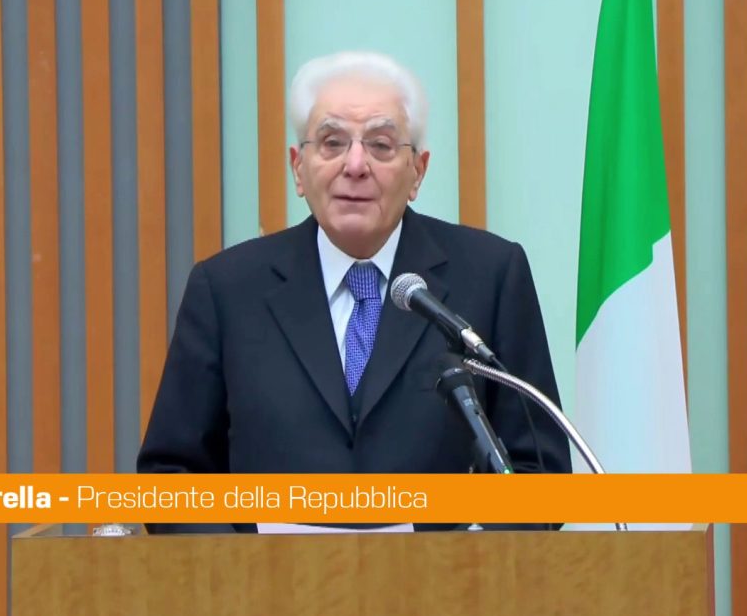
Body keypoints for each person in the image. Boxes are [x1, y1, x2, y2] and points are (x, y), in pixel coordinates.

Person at [137, 51, 570, 533]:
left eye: (381, 145)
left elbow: (540, 476)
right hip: (263, 581)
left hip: (448, 580)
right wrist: (242, 573)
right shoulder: (226, 290)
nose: (356, 165)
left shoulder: (490, 276)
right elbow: (170, 479)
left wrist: (463, 568)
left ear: (418, 171)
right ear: (298, 168)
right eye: (332, 142)